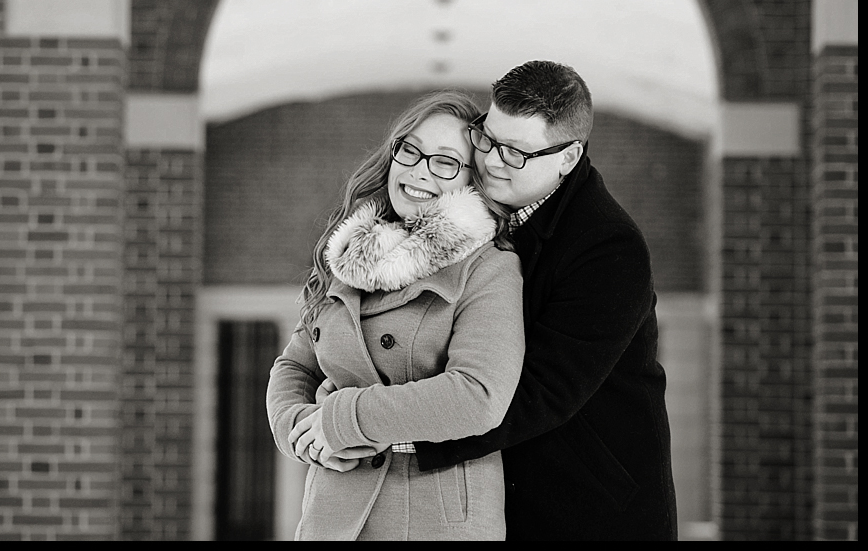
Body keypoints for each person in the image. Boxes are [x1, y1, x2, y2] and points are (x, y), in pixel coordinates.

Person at [413, 61, 678, 540]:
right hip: (509, 497)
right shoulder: (488, 207)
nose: (492, 160)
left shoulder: (608, 247)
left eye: (515, 152)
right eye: (487, 138)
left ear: (569, 156)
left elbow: (542, 393)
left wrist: (402, 438)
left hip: (595, 511)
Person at [265, 89, 525, 541]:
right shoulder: (350, 257)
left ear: (471, 180)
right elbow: (294, 365)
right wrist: (300, 431)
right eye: (411, 149)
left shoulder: (488, 266)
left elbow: (478, 395)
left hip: (436, 515)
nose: (419, 171)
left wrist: (341, 418)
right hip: (334, 509)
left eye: (445, 161)